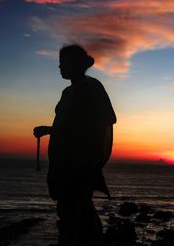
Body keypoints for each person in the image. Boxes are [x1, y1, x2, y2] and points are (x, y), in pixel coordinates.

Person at [33, 44, 116, 246]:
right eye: (60, 63)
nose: (60, 67)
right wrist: (52, 131)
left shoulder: (92, 87)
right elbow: (67, 123)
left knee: (79, 212)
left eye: (63, 63)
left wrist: (51, 130)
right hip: (63, 162)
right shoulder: (67, 92)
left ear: (76, 64)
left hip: (80, 162)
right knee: (69, 211)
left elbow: (108, 118)